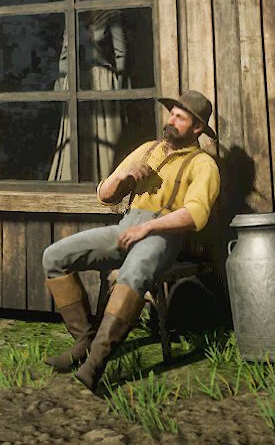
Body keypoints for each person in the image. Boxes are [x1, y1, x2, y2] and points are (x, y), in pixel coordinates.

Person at [41, 90, 221, 391]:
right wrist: (123, 176)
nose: (171, 121)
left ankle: (95, 362)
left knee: (133, 274)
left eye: (180, 118)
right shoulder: (148, 149)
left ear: (197, 128)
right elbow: (104, 196)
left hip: (164, 235)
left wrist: (147, 229)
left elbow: (195, 215)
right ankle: (84, 341)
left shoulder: (203, 165)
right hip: (128, 226)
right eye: (171, 114)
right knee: (54, 257)